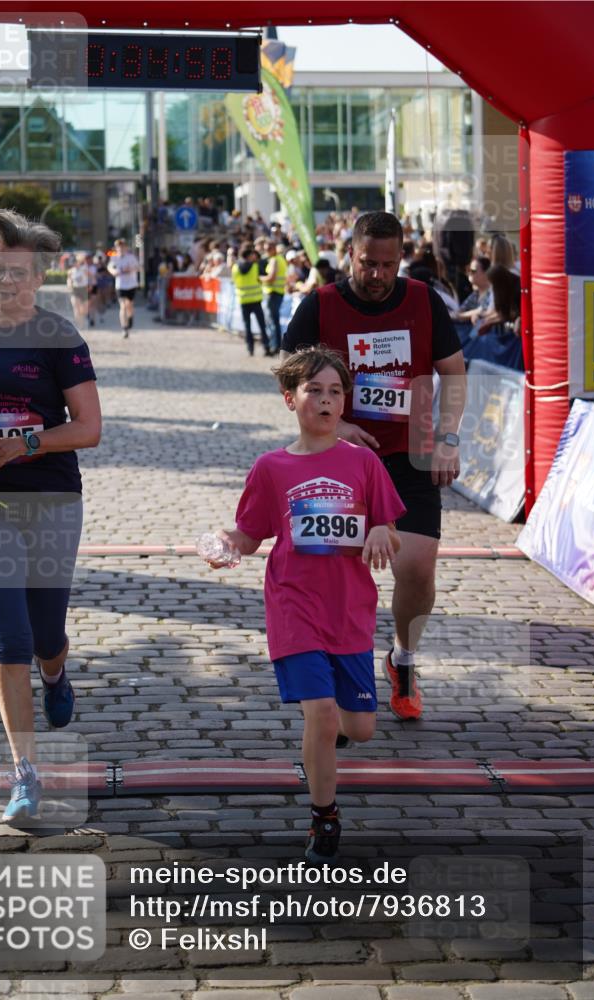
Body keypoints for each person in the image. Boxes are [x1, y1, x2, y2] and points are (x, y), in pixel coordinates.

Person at [202, 346, 405, 862]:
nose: (326, 399)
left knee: (358, 728)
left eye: (336, 391)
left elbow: (389, 527)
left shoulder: (363, 463)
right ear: (290, 397)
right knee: (319, 714)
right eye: (314, 390)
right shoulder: (271, 468)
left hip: (350, 610)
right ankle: (325, 816)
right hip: (294, 606)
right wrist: (225, 546)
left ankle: (336, 728)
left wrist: (382, 530)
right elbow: (250, 535)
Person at [0, 207, 102, 823]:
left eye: (19, 274)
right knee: (9, 637)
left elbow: (89, 428)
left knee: (45, 634)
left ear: (38, 279)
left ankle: (57, 674)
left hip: (52, 499)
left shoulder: (60, 338)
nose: (7, 282)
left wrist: (29, 442)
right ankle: (24, 774)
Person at [281, 211, 466, 721]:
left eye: (388, 264)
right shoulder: (321, 305)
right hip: (341, 461)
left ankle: (403, 659)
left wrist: (448, 438)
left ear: (401, 257)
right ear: (350, 254)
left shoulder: (423, 300)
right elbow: (286, 376)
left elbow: (453, 372)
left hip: (413, 454)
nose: (378, 275)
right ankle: (339, 678)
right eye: (368, 263)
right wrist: (335, 427)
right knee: (335, 577)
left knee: (417, 569)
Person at [231, 243, 273, 357]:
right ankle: (266, 347)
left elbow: (234, 281)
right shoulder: (255, 266)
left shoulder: (235, 268)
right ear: (249, 256)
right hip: (255, 299)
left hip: (243, 300)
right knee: (262, 325)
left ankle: (250, 349)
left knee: (247, 327)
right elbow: (259, 279)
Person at [108, 237, 139, 338]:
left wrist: (130, 269)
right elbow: (110, 267)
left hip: (131, 284)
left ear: (125, 247)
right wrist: (114, 272)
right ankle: (124, 328)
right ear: (116, 248)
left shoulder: (131, 257)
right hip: (120, 285)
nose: (120, 249)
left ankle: (130, 317)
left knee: (129, 305)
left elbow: (138, 267)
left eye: (122, 247)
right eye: (118, 247)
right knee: (123, 306)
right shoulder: (114, 258)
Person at [260, 241, 288, 353]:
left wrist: (259, 278)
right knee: (274, 320)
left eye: (268, 249)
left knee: (271, 321)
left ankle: (274, 345)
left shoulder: (274, 260)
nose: (266, 251)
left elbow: (271, 278)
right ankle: (276, 345)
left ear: (273, 249)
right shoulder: (281, 259)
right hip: (278, 292)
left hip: (272, 293)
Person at [66, 252, 91, 330]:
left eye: (75, 262)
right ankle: (79, 325)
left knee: (83, 309)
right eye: (73, 263)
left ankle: (82, 321)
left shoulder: (84, 269)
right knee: (76, 307)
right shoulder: (70, 271)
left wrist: (90, 286)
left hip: (83, 289)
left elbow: (91, 277)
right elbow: (69, 280)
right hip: (75, 290)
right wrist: (69, 285)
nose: (74, 264)